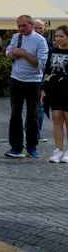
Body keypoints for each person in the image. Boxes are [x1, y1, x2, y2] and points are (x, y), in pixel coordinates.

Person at [4, 13, 48, 159]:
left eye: (24, 25)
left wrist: (23, 54)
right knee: (15, 113)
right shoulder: (16, 37)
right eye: (19, 26)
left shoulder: (40, 41)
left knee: (33, 114)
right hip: (16, 79)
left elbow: (40, 64)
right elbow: (8, 52)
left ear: (31, 25)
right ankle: (16, 146)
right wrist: (12, 54)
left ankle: (32, 146)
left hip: (33, 81)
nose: (21, 28)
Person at [42, 25, 68, 163]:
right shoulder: (52, 52)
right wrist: (43, 89)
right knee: (57, 118)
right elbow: (48, 71)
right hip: (55, 89)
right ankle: (58, 149)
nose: (58, 39)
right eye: (56, 36)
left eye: (61, 36)